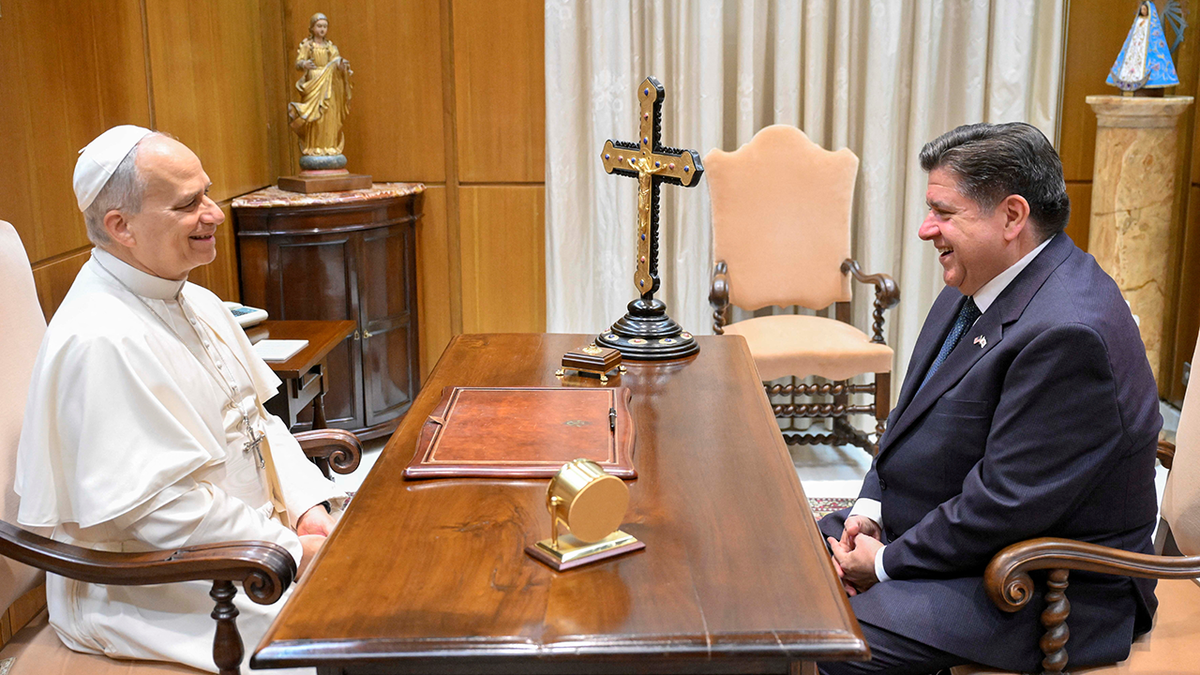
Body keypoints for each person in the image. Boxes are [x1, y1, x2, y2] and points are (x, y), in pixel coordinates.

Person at [818, 122, 1161, 674]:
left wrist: (882, 564)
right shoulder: (981, 281)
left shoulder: (1069, 334)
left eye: (945, 212)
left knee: (825, 641)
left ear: (1012, 216)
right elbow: (908, 423)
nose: (926, 229)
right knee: (780, 566)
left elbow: (1005, 504)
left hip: (1041, 587)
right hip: (944, 540)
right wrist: (871, 510)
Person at [15, 125, 345, 673]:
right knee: (346, 645)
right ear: (122, 227)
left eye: (207, 193)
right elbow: (161, 514)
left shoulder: (194, 297)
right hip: (153, 585)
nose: (214, 214)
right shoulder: (102, 338)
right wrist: (287, 551)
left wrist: (309, 509)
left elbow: (257, 422)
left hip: (242, 548)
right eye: (188, 204)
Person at [289, 12, 352, 167]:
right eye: (319, 26)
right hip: (314, 83)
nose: (322, 29)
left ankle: (329, 146)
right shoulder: (307, 45)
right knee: (315, 116)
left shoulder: (330, 47)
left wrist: (341, 66)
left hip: (329, 85)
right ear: (312, 28)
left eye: (325, 26)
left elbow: (336, 62)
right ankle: (314, 147)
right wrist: (305, 65)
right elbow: (298, 62)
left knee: (328, 114)